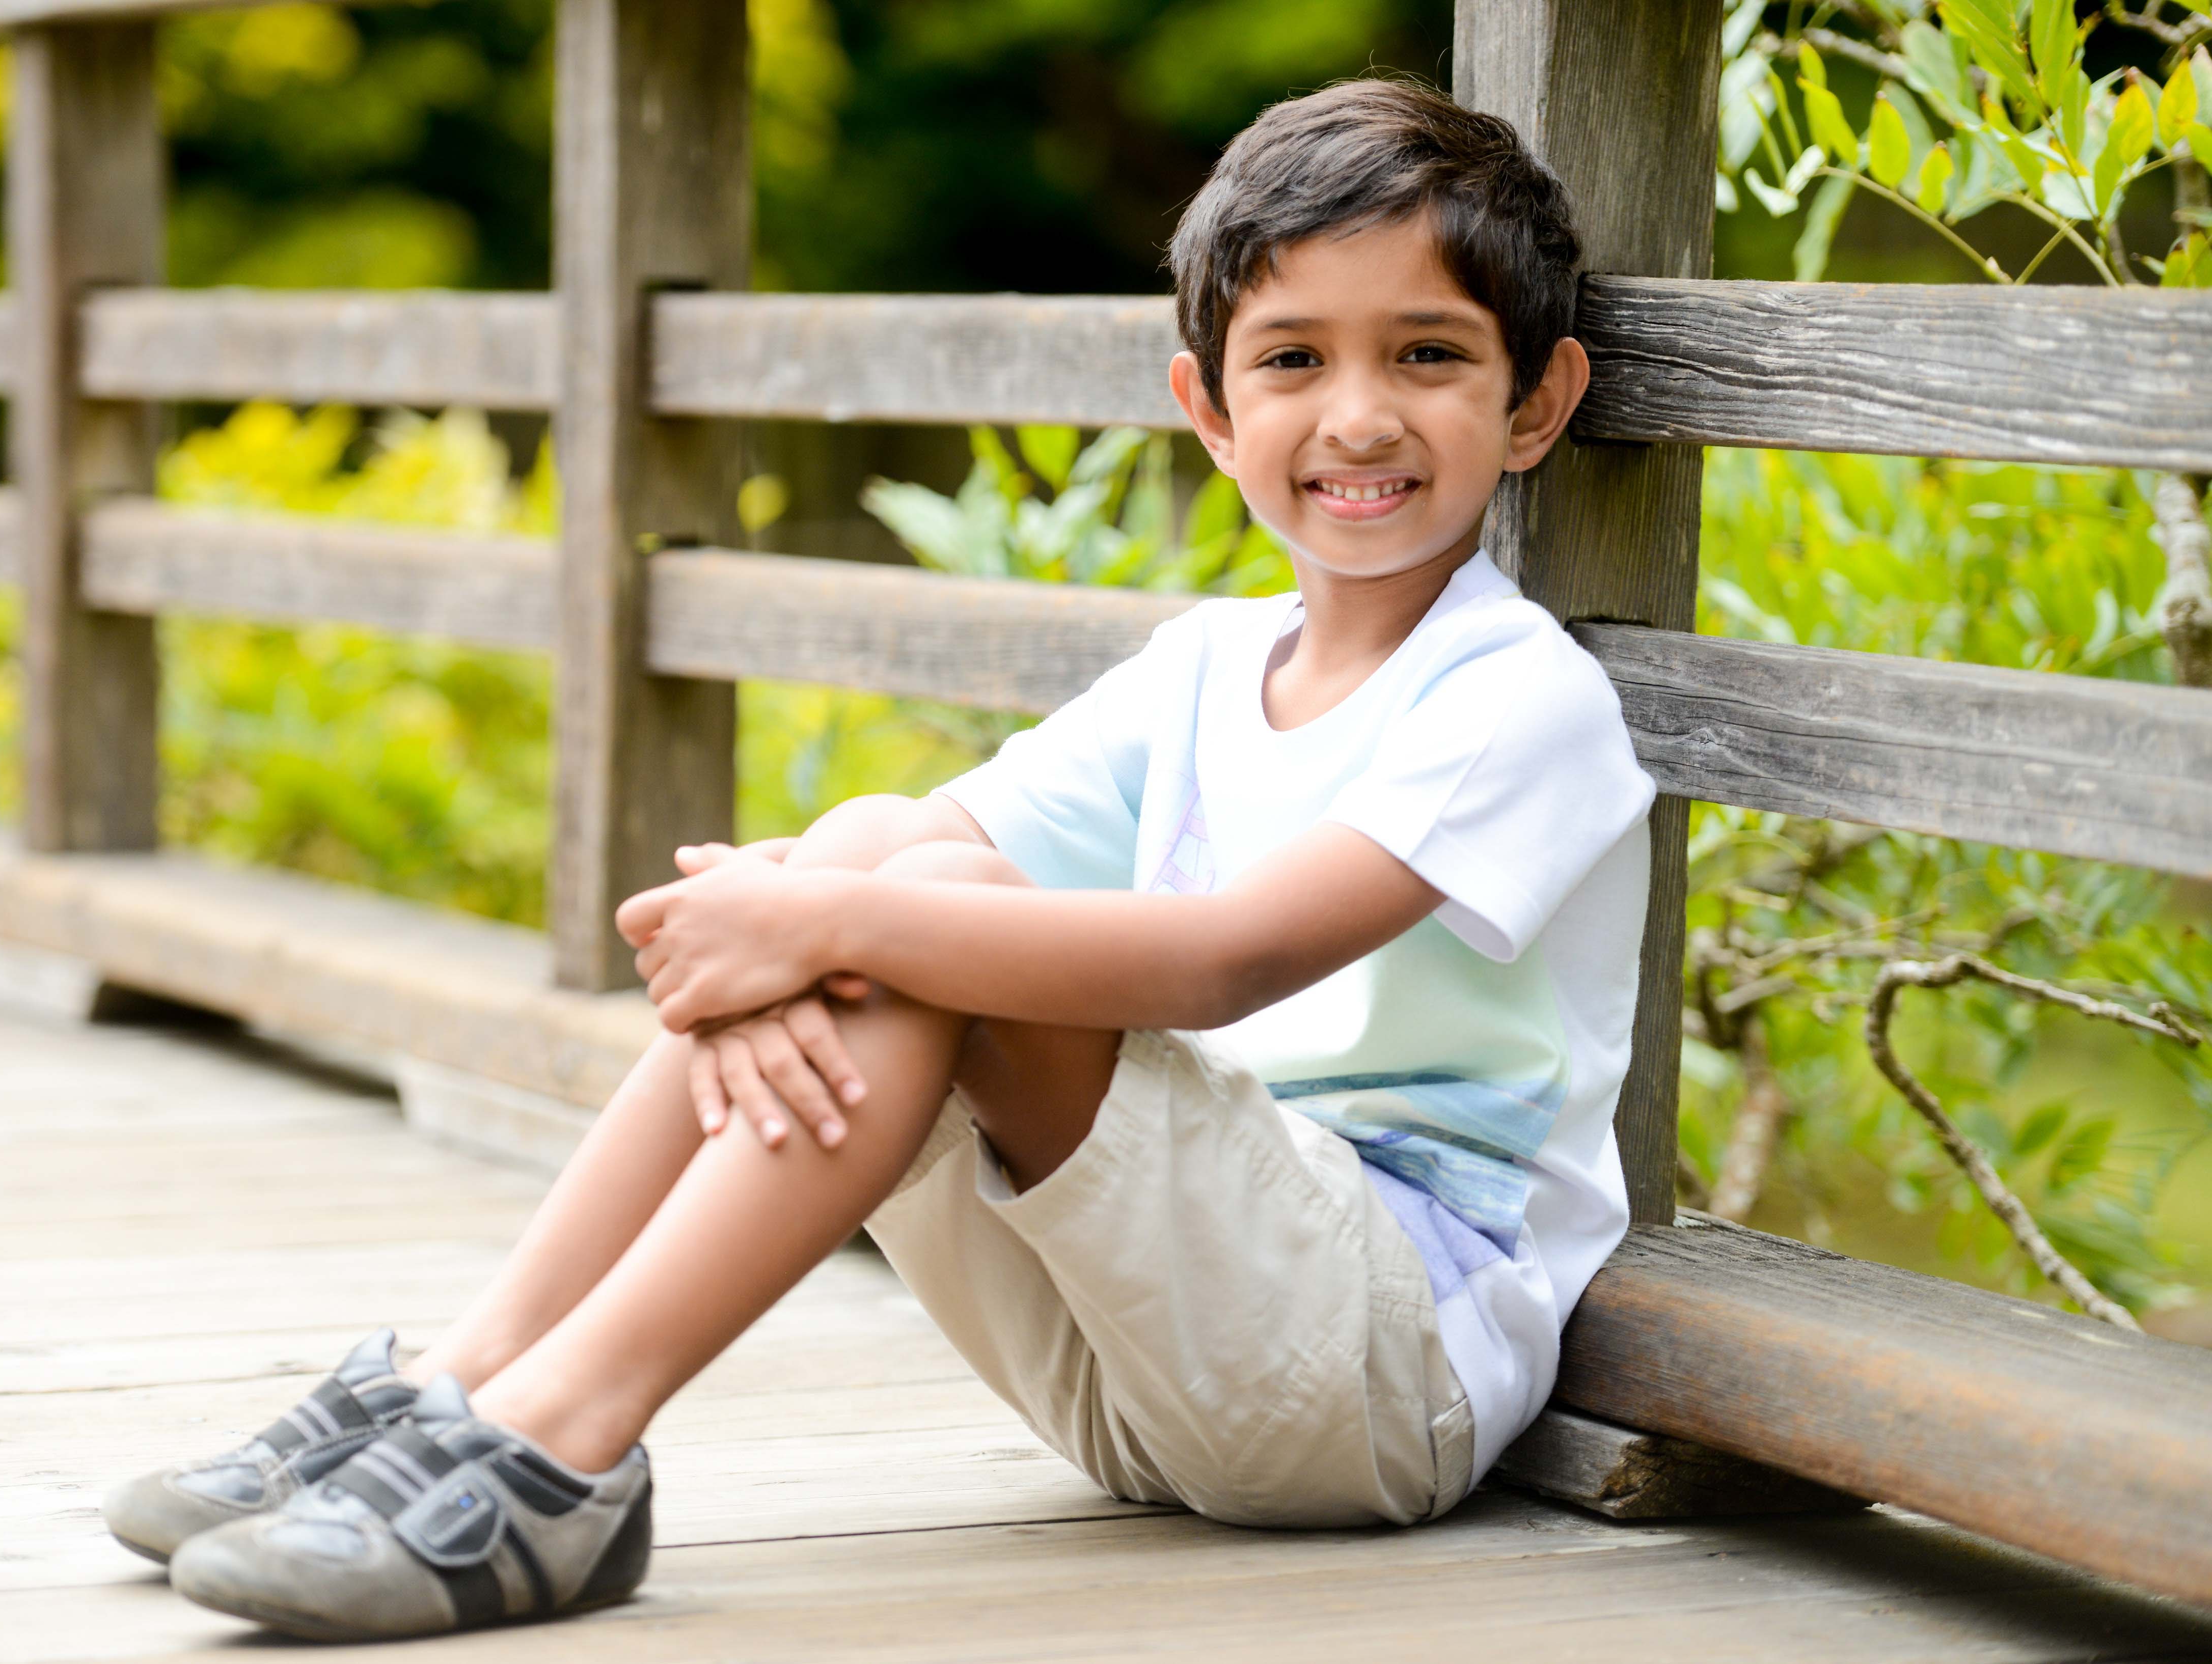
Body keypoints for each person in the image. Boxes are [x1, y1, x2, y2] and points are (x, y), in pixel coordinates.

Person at [101, 74, 1655, 1643]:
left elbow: (1228, 959)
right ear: (1210, 405)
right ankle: (470, 1371)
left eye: (1429, 355)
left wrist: (824, 924)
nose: (1361, 416)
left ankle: (557, 1441)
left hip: (1382, 1375)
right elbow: (914, 850)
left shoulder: (1517, 693)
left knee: (895, 909)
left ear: (1536, 402)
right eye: (1295, 359)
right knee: (870, 854)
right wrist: (803, 907)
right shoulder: (1207, 668)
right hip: (1138, 1357)